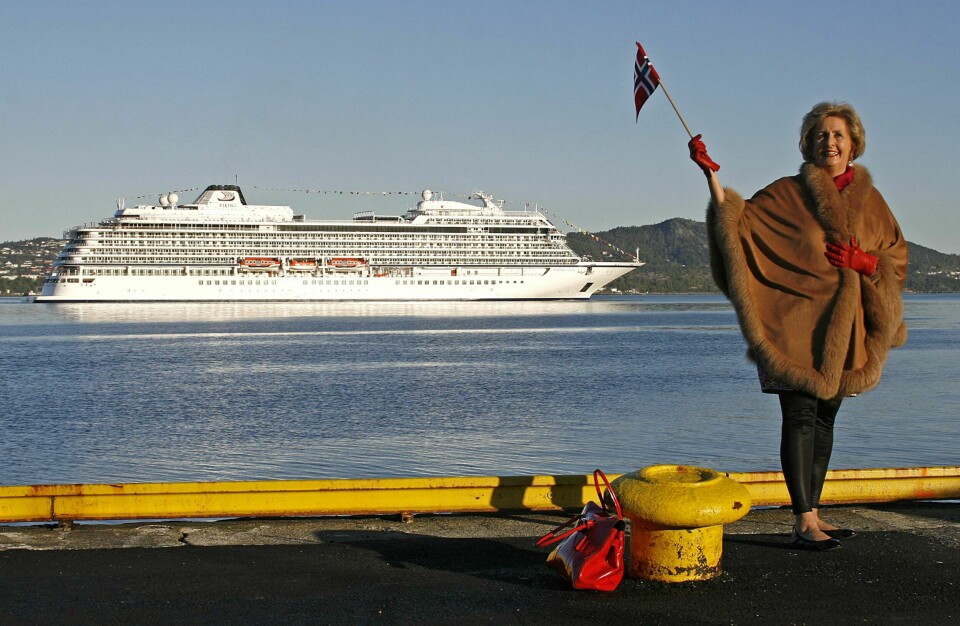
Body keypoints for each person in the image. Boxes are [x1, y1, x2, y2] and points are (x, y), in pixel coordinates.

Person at [689, 102, 908, 551]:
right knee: (801, 416)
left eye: (838, 135)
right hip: (795, 327)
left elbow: (895, 256)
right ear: (808, 143)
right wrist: (710, 175)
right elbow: (741, 223)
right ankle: (803, 519)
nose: (830, 142)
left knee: (826, 420)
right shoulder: (787, 193)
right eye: (821, 135)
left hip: (846, 331)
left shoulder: (872, 201)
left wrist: (866, 263)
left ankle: (814, 513)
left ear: (853, 144)